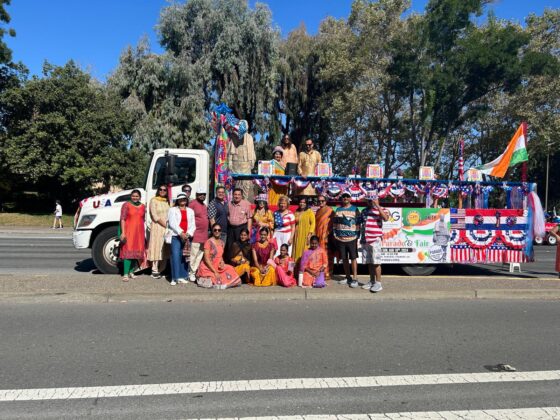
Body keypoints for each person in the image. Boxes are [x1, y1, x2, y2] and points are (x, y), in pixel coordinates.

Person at [360, 191, 389, 293]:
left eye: (372, 200)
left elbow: (386, 218)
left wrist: (377, 205)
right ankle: (372, 281)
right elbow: (360, 223)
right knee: (370, 262)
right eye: (369, 200)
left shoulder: (383, 210)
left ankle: (378, 283)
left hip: (375, 239)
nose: (370, 202)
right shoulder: (364, 211)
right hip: (365, 239)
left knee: (376, 262)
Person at [197, 223, 242, 289]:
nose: (217, 231)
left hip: (218, 266)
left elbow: (220, 256)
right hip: (208, 267)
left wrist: (222, 261)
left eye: (219, 230)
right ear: (212, 231)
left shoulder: (222, 242)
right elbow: (206, 259)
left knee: (230, 268)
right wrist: (215, 272)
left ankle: (223, 283)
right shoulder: (208, 242)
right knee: (214, 277)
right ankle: (221, 283)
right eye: (215, 230)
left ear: (221, 231)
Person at [333, 191, 361, 288]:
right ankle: (348, 277)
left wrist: (357, 235)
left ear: (350, 198)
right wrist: (335, 234)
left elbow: (358, 223)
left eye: (347, 196)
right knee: (344, 259)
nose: (345, 198)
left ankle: (355, 278)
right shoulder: (338, 209)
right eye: (343, 196)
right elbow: (335, 223)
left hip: (352, 239)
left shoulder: (355, 209)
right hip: (341, 239)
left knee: (353, 258)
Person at [167, 193, 196, 286]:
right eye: (180, 199)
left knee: (184, 256)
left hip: (187, 236)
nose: (182, 200)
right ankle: (175, 277)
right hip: (176, 235)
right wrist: (181, 233)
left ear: (186, 200)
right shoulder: (172, 210)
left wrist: (188, 233)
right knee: (175, 255)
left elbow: (193, 224)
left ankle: (183, 276)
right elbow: (172, 223)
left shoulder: (191, 211)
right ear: (177, 201)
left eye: (184, 199)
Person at [119, 189, 146, 282]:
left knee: (136, 252)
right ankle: (125, 274)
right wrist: (123, 232)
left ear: (140, 197)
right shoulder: (126, 205)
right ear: (131, 196)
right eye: (133, 196)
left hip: (139, 233)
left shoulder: (143, 206)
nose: (135, 198)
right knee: (128, 252)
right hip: (129, 231)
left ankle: (131, 272)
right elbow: (122, 219)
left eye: (137, 196)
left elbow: (143, 219)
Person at [147, 185, 170, 279]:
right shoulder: (153, 200)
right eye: (160, 189)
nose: (162, 191)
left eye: (164, 190)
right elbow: (154, 216)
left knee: (165, 248)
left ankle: (162, 269)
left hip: (167, 228)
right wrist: (166, 225)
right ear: (158, 190)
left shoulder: (167, 202)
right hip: (157, 227)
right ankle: (154, 269)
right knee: (156, 246)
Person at [228, 130, 257, 202]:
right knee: (236, 185)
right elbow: (230, 154)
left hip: (246, 165)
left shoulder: (249, 137)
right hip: (235, 165)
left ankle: (245, 202)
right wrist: (230, 163)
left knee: (246, 185)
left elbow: (252, 152)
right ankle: (236, 202)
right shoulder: (233, 136)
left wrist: (252, 161)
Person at [188, 188, 209, 282]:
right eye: (200, 194)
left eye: (204, 194)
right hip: (196, 234)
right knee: (193, 254)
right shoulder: (193, 204)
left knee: (200, 255)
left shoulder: (204, 205)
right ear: (196, 195)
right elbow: (188, 217)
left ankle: (195, 271)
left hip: (204, 235)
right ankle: (191, 273)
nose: (202, 196)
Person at [227, 188, 252, 255]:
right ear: (232, 195)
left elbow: (249, 218)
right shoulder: (229, 204)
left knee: (240, 246)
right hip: (231, 229)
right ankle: (230, 262)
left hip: (241, 228)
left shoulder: (246, 204)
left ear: (241, 196)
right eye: (235, 194)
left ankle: (240, 262)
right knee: (230, 246)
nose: (237, 196)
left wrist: (248, 232)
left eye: (239, 195)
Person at [292, 197, 316, 266]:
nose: (302, 204)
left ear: (306, 204)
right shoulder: (296, 212)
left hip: (306, 235)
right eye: (300, 202)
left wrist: (309, 234)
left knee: (304, 252)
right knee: (295, 252)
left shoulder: (309, 211)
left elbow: (313, 223)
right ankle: (294, 271)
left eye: (303, 202)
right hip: (297, 235)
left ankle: (303, 271)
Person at [315, 194, 334, 280]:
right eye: (319, 201)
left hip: (326, 236)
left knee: (327, 255)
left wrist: (327, 234)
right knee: (319, 255)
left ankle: (328, 273)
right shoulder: (318, 211)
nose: (321, 202)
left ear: (326, 201)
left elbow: (332, 224)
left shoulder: (330, 210)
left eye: (322, 201)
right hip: (318, 236)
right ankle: (320, 272)